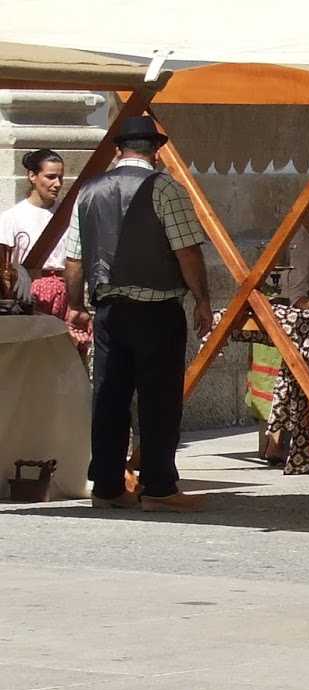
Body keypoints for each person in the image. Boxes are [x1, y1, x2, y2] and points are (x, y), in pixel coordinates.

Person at [64, 115, 213, 513]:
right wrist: (202, 299)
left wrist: (75, 305)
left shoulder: (88, 190)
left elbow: (74, 260)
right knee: (159, 399)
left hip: (109, 311)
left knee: (108, 398)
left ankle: (107, 486)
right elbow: (187, 251)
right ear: (156, 152)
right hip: (156, 310)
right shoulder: (166, 188)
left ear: (118, 150)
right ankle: (159, 487)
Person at [0, 149, 92, 348]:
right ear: (32, 176)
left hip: (66, 292)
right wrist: (18, 269)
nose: (57, 184)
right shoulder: (12, 217)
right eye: (50, 177)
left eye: (60, 177)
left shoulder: (69, 215)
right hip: (30, 295)